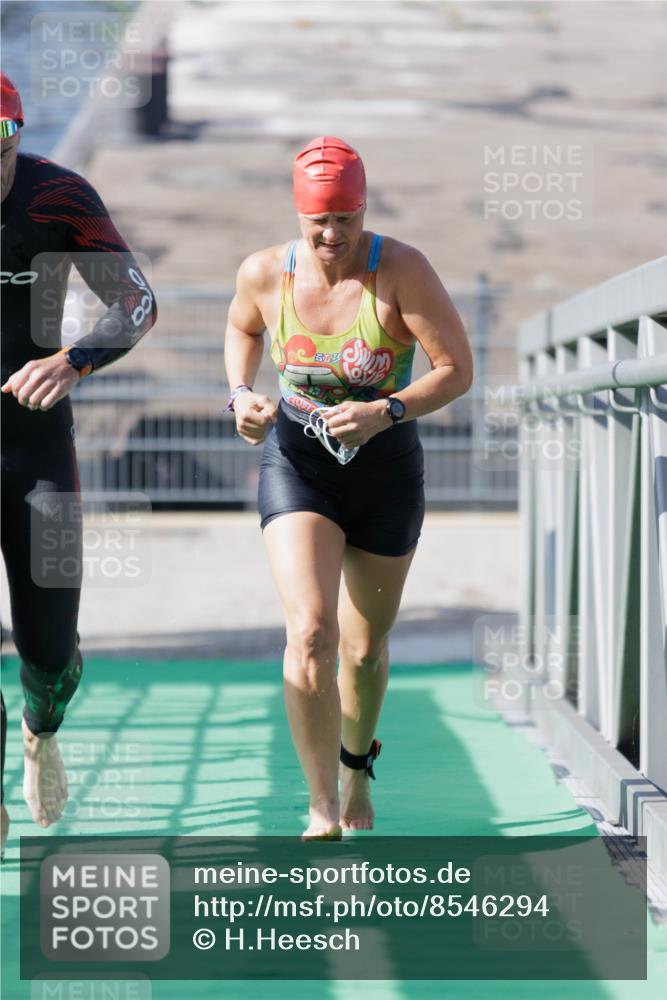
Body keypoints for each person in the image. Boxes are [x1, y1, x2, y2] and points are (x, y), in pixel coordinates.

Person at [224, 136, 473, 840]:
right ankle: (320, 805)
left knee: (363, 652)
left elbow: (454, 370)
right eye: (318, 224)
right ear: (297, 216)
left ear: (364, 211)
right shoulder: (263, 272)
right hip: (298, 465)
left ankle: (356, 768)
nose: (333, 236)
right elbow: (240, 328)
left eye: (347, 220)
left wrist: (386, 409)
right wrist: (240, 394)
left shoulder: (401, 270)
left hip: (386, 470)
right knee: (309, 631)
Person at [0, 73, 157, 855]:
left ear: (18, 133)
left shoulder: (57, 197)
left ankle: (40, 729)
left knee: (51, 647)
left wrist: (73, 359)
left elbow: (136, 303)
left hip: (36, 449)